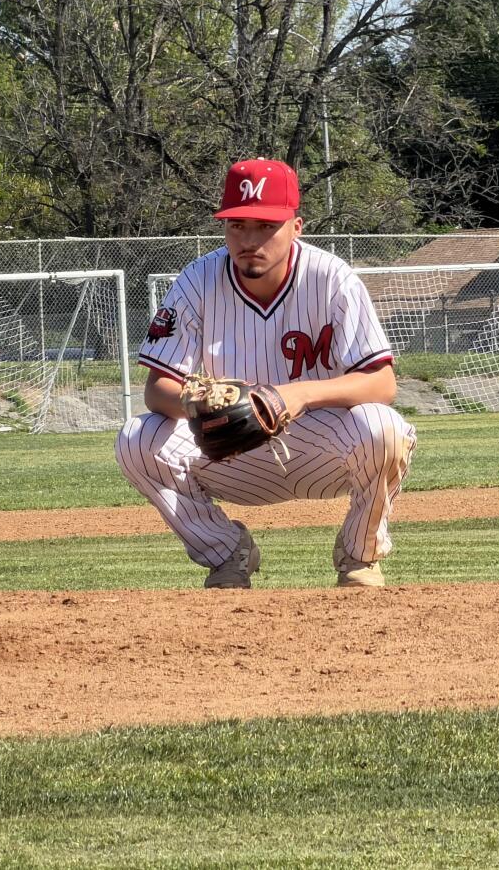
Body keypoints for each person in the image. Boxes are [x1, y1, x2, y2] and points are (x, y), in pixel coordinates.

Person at [115, 158, 417, 589]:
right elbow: (156, 389)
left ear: (297, 226)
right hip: (232, 449)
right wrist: (197, 402)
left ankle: (358, 556)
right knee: (136, 438)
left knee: (384, 428)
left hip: (321, 445)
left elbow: (382, 384)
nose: (249, 239)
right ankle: (226, 551)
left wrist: (296, 395)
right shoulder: (197, 281)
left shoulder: (332, 278)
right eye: (237, 225)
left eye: (265, 225)